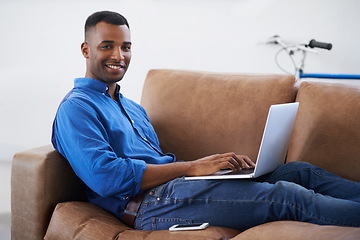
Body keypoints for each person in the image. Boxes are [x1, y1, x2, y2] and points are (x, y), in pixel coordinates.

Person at [52, 10, 360, 231]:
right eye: (107, 46)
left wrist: (210, 170)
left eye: (126, 46)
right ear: (86, 49)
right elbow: (107, 178)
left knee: (299, 172)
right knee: (284, 197)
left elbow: (157, 164)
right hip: (149, 205)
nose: (119, 55)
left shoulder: (131, 106)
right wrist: (192, 167)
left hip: (176, 187)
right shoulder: (76, 109)